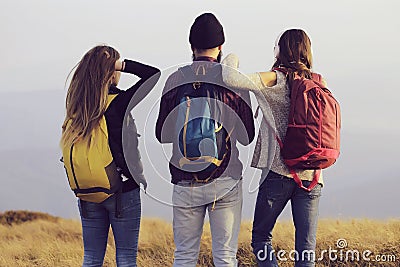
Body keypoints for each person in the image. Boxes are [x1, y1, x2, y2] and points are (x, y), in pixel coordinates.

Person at [155, 13, 255, 267]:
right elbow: (247, 137)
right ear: (221, 47)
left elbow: (162, 134)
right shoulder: (232, 80)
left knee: (185, 255)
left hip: (185, 177)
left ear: (191, 46)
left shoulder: (175, 79)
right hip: (226, 178)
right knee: (225, 256)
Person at [222, 29, 326, 267]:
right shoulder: (319, 82)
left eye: (276, 46)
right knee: (305, 248)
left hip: (278, 173)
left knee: (260, 238)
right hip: (312, 175)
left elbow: (229, 77)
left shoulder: (274, 79)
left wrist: (233, 55)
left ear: (282, 50)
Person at [60, 45, 160, 267]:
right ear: (111, 71)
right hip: (122, 190)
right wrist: (121, 64)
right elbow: (153, 74)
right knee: (125, 258)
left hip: (88, 192)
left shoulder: (77, 105)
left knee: (92, 258)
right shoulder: (118, 102)